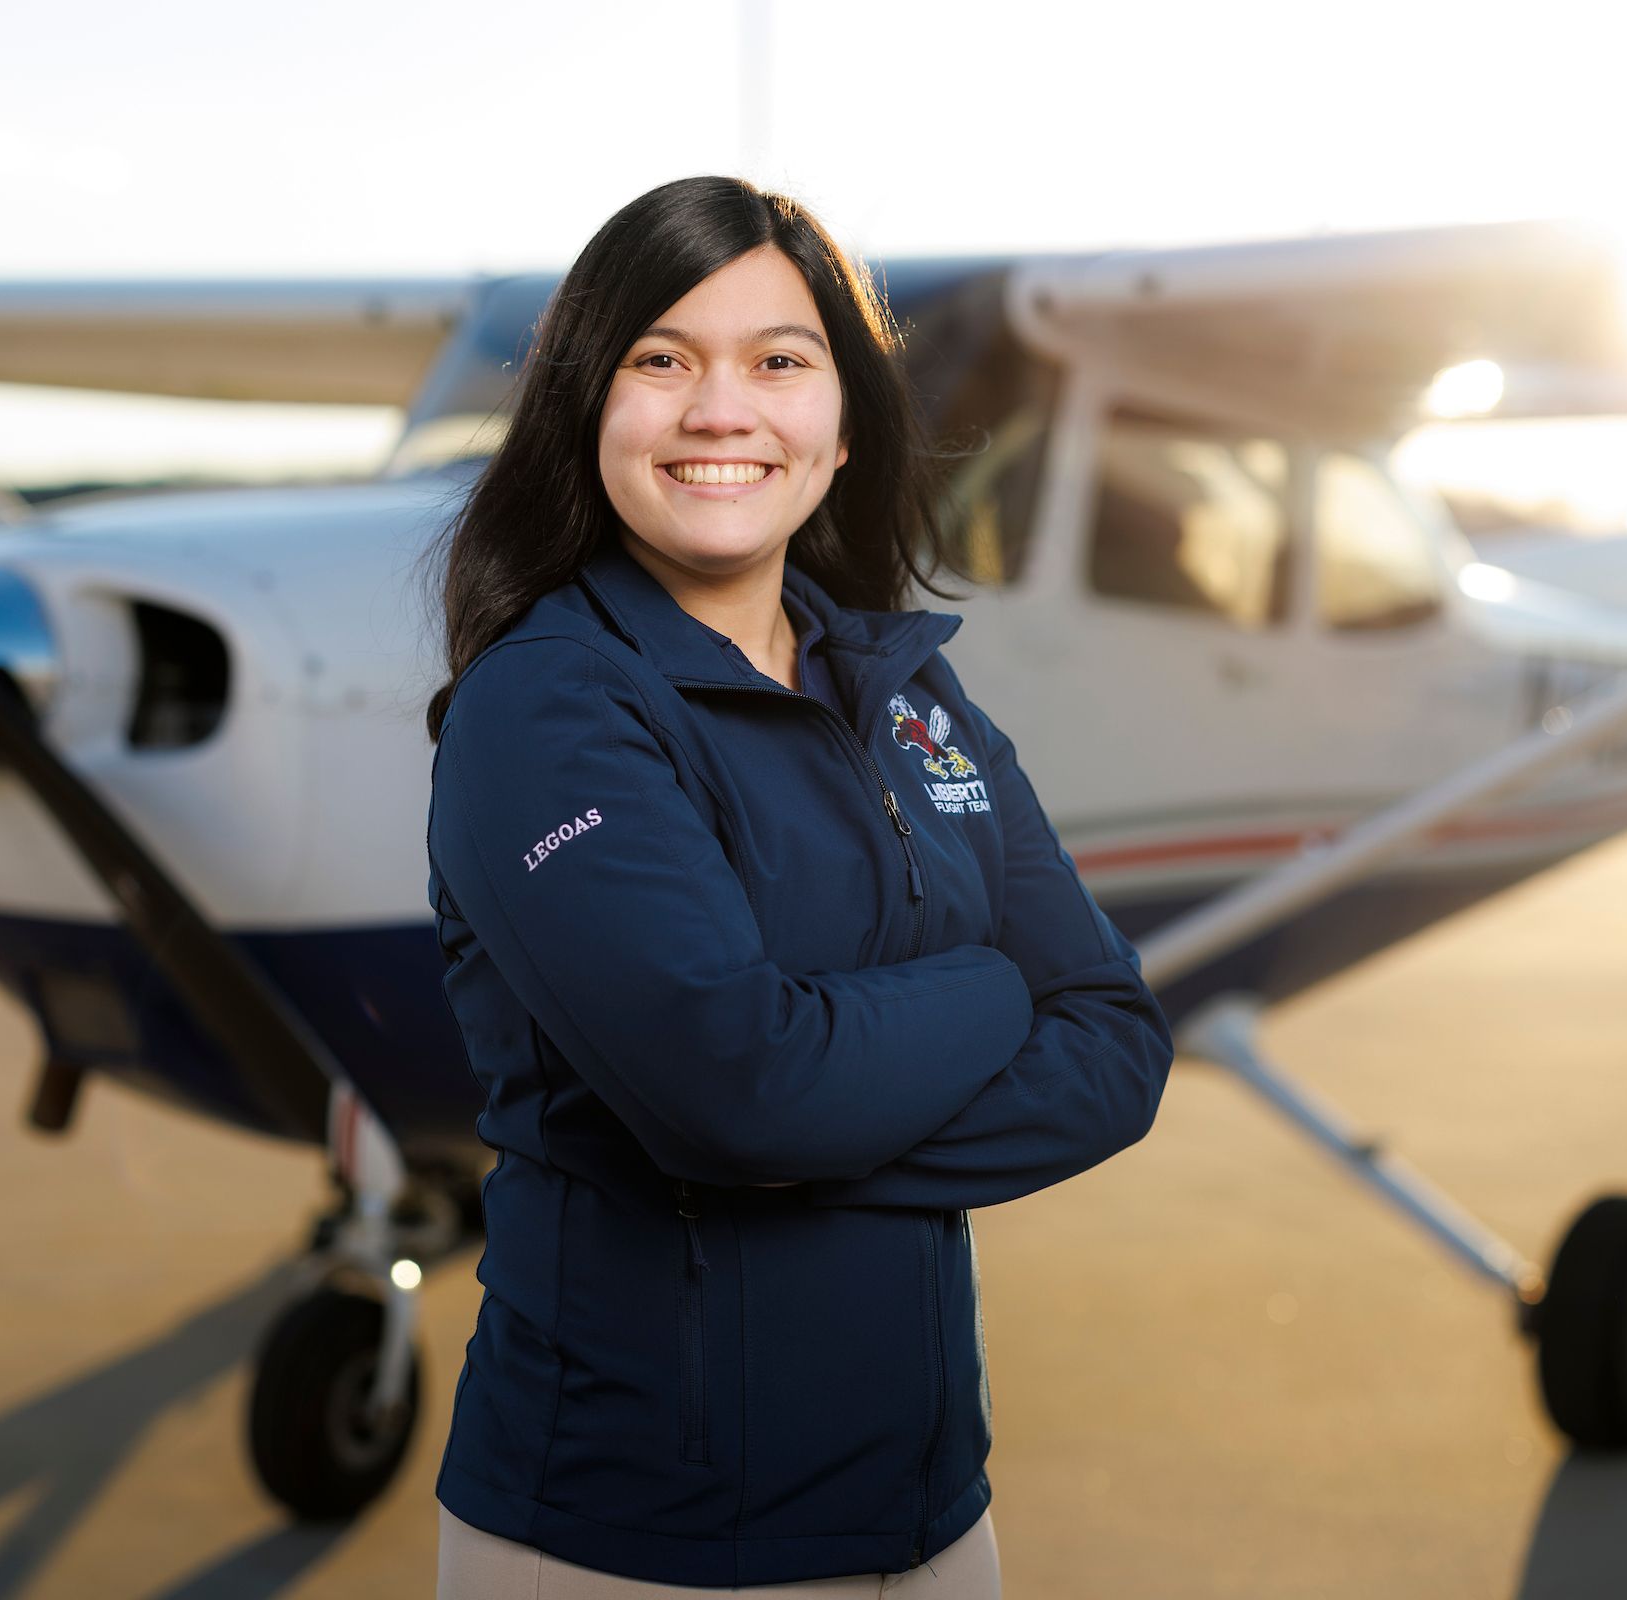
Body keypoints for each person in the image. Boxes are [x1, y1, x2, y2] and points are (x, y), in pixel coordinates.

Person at [420, 176, 1175, 1597]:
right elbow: (743, 1094)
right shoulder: (548, 711)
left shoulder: (904, 687)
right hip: (631, 1547)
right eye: (661, 360)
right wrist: (991, 986)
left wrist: (780, 1132)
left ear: (840, 428)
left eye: (780, 361)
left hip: (934, 1524)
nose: (723, 410)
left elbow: (1119, 1045)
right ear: (589, 408)